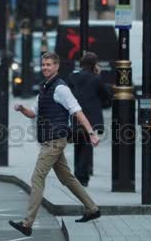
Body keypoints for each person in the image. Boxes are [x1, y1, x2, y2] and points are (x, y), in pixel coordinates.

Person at [9, 52, 101, 237]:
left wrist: (91, 133)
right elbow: (34, 113)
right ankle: (92, 209)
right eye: (43, 64)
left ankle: (27, 223)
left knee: (37, 178)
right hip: (49, 138)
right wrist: (22, 109)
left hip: (55, 140)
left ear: (57, 66)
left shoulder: (61, 88)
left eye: (49, 64)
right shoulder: (44, 87)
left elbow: (77, 112)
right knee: (67, 178)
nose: (45, 67)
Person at [68, 52, 112, 187]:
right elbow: (106, 96)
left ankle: (77, 174)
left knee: (78, 145)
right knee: (87, 147)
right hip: (91, 118)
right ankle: (83, 177)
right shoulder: (96, 79)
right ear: (94, 65)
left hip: (76, 115)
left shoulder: (72, 77)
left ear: (81, 64)